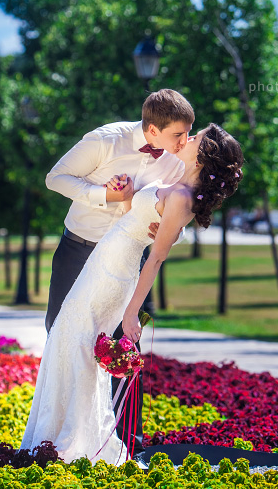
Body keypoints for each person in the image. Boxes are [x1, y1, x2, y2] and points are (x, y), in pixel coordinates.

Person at [20, 122, 244, 467]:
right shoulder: (175, 183)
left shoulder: (182, 198)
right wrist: (127, 197)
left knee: (77, 342)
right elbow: (134, 222)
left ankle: (74, 440)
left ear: (202, 157)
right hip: (106, 257)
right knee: (67, 336)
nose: (187, 139)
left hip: (117, 271)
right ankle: (61, 435)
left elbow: (156, 258)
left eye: (195, 137)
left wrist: (131, 312)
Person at [43, 89, 195, 461]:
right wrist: (105, 196)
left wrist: (168, 232)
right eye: (178, 134)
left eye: (188, 133)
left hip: (125, 259)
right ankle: (63, 433)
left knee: (124, 344)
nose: (185, 141)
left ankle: (127, 440)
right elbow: (55, 178)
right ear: (153, 130)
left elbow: (177, 211)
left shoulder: (176, 161)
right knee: (61, 331)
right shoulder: (105, 140)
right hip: (80, 247)